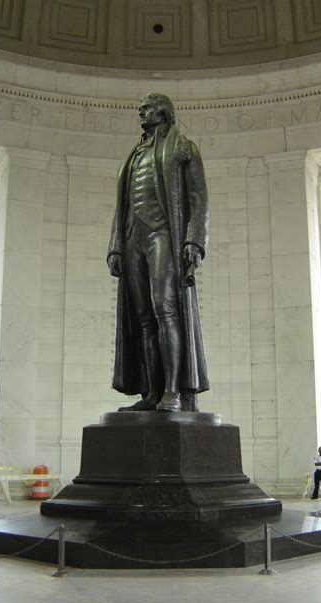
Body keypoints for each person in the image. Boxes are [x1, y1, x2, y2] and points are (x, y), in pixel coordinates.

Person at [107, 93, 209, 412]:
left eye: (148, 108)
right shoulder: (133, 155)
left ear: (164, 112)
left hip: (163, 232)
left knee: (165, 307)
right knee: (143, 318)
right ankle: (151, 393)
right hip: (132, 236)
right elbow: (121, 206)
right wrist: (115, 246)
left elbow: (198, 198)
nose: (141, 111)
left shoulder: (182, 148)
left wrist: (194, 241)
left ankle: (174, 390)